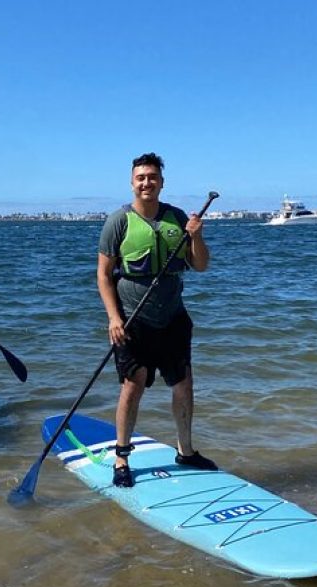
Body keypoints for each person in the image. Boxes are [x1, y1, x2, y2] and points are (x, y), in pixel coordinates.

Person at [96, 153, 217, 488]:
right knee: (132, 386)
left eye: (152, 177)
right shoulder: (118, 221)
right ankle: (122, 457)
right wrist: (113, 318)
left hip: (173, 319)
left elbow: (201, 265)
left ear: (161, 183)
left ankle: (186, 451)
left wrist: (195, 236)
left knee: (183, 384)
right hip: (133, 321)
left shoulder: (177, 218)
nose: (146, 182)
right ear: (132, 182)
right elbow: (104, 276)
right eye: (141, 177)